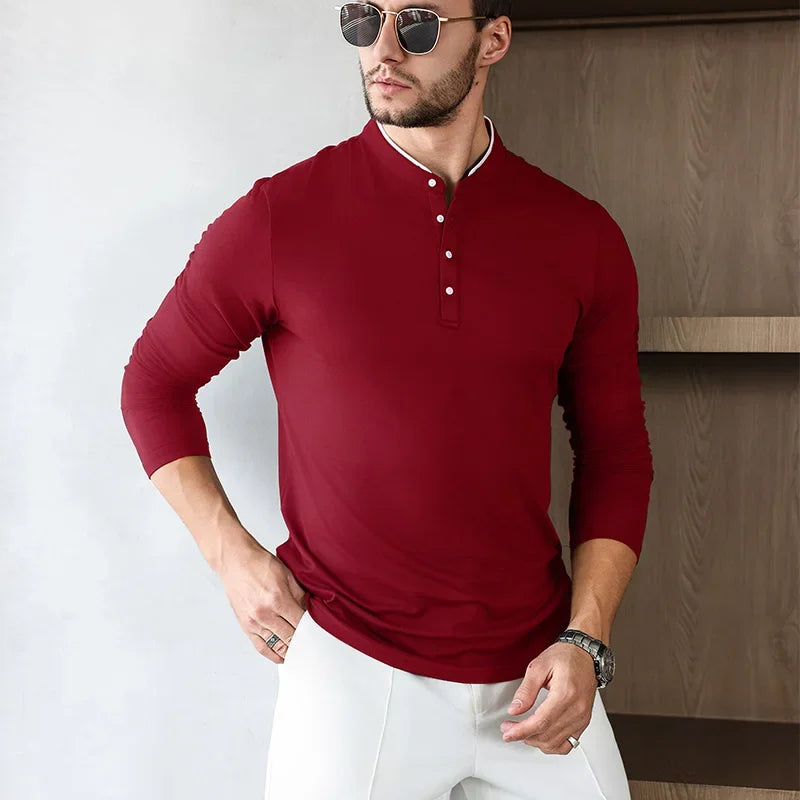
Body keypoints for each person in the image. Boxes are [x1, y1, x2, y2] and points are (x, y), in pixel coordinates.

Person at [120, 1, 654, 797]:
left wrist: (588, 637)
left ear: (493, 40)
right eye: (363, 18)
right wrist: (232, 558)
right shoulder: (281, 217)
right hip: (350, 667)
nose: (383, 48)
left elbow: (616, 453)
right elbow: (153, 383)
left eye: (419, 23)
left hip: (538, 669)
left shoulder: (582, 236)